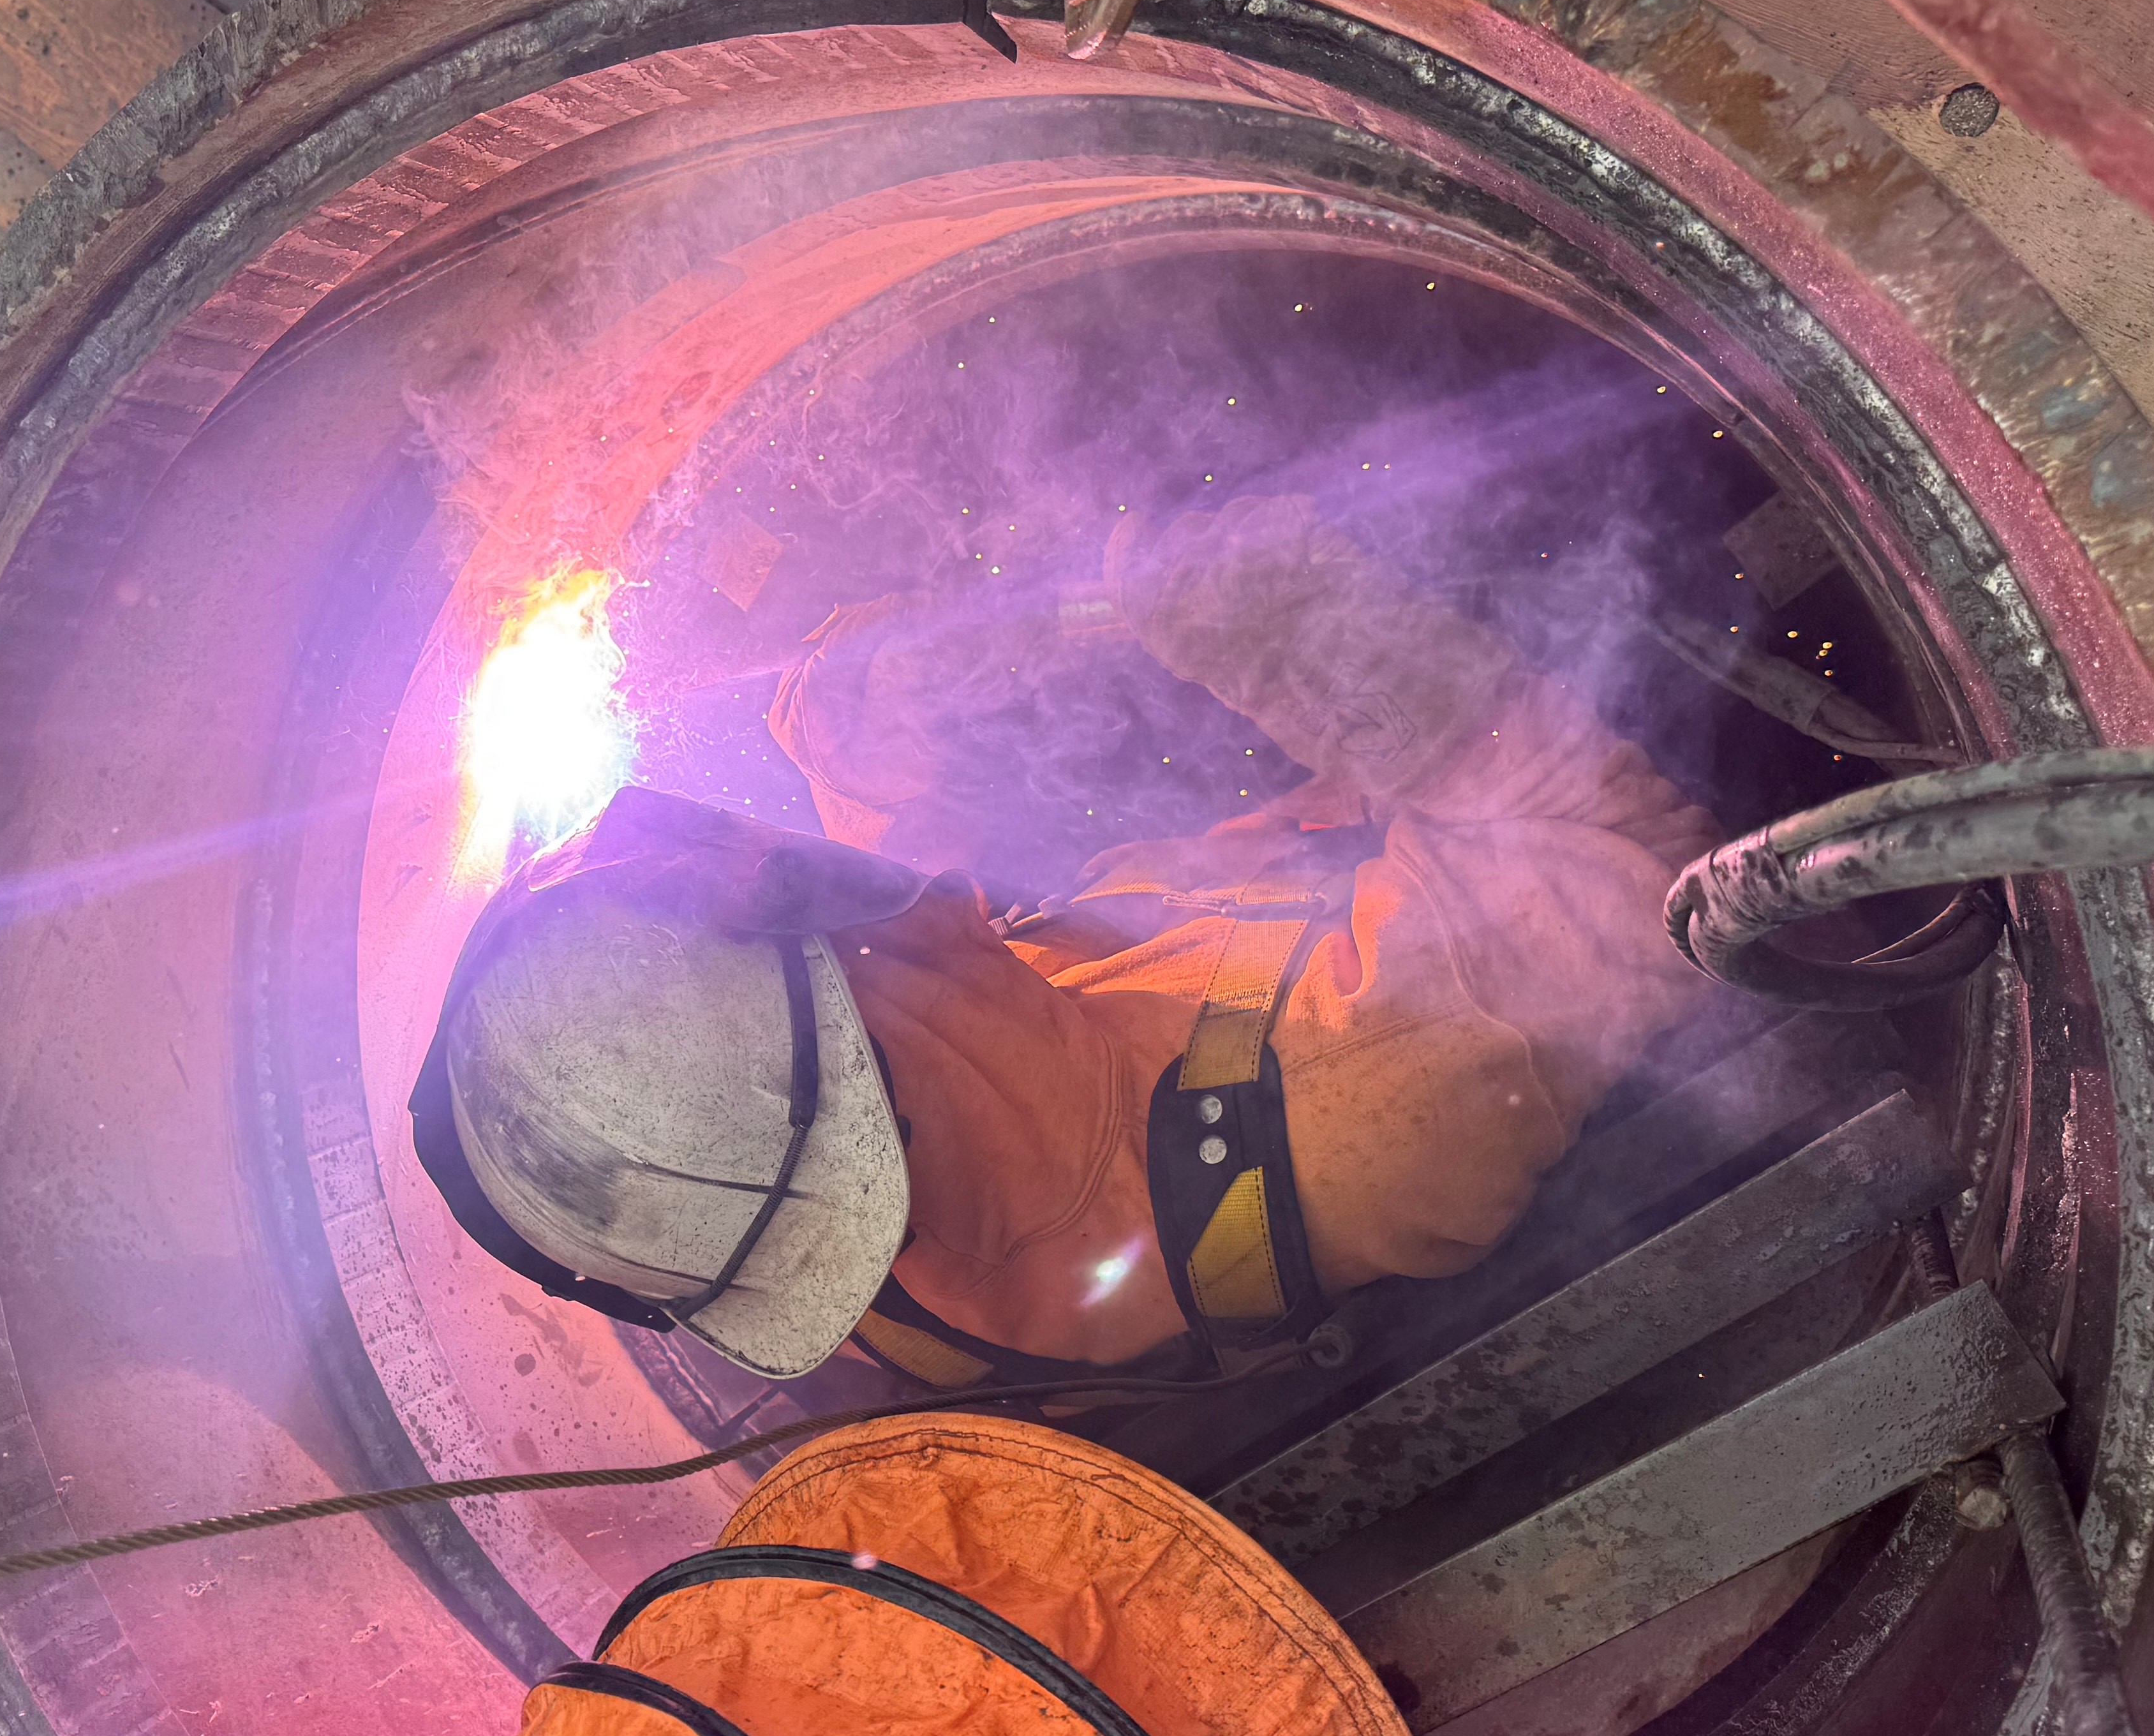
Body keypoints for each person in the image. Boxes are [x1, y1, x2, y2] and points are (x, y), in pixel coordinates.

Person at [410, 496, 1718, 1389]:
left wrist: (859, 744)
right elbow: (1638, 854)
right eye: (781, 874)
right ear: (855, 982)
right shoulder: (1380, 1083)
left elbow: (883, 1020)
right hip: (1482, 897)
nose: (775, 843)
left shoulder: (828, 1233)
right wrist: (1282, 630)